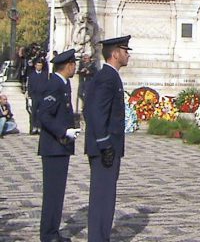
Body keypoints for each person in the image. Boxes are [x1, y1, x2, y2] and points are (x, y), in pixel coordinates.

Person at [84, 35, 131, 242]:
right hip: (105, 148)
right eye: (125, 50)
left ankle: (100, 237)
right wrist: (104, 144)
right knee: (103, 197)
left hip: (106, 146)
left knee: (104, 197)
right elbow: (95, 112)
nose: (128, 54)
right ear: (115, 53)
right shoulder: (107, 77)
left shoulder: (108, 76)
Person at [36, 49, 80, 242]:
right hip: (53, 147)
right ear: (68, 65)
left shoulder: (64, 83)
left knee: (58, 193)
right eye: (74, 64)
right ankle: (48, 234)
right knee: (52, 193)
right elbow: (44, 115)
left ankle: (52, 231)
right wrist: (64, 131)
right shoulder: (54, 84)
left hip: (60, 147)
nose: (75, 67)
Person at [27, 58, 50, 135]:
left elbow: (47, 85)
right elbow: (29, 85)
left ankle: (40, 127)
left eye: (40, 65)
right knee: (33, 113)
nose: (39, 67)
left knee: (41, 112)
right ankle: (33, 127)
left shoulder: (44, 75)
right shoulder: (32, 75)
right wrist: (29, 95)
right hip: (34, 96)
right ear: (35, 66)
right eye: (38, 65)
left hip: (42, 96)